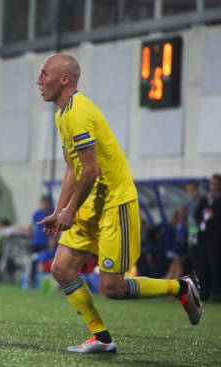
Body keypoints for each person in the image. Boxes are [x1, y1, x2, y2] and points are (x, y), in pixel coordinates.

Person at [35, 54, 203, 353]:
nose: (38, 81)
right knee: (61, 269)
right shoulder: (62, 115)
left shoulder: (77, 113)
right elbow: (73, 168)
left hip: (115, 204)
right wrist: (60, 210)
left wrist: (70, 210)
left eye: (44, 74)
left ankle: (181, 287)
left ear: (64, 79)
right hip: (90, 204)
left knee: (112, 288)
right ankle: (101, 338)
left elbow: (91, 170)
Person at [192, 173, 221, 301]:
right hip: (203, 238)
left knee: (215, 266)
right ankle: (205, 292)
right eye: (212, 183)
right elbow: (197, 214)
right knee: (203, 266)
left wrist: (212, 214)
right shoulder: (205, 198)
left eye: (215, 183)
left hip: (215, 238)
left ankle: (218, 292)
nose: (213, 186)